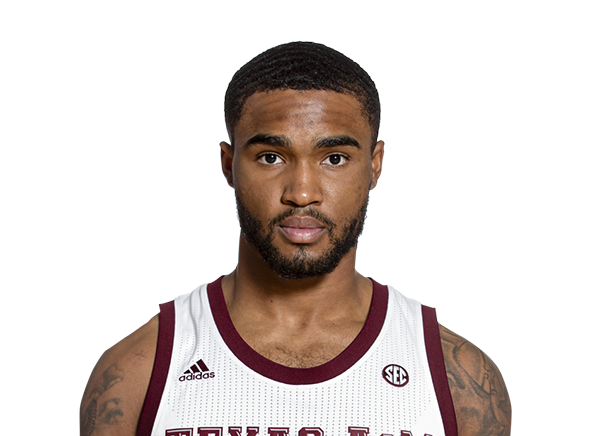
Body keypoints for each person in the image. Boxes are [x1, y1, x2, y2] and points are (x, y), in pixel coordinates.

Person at [80, 41, 511, 436]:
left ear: (375, 164)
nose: (302, 193)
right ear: (228, 164)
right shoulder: (139, 372)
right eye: (271, 157)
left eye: (334, 158)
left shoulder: (458, 382)